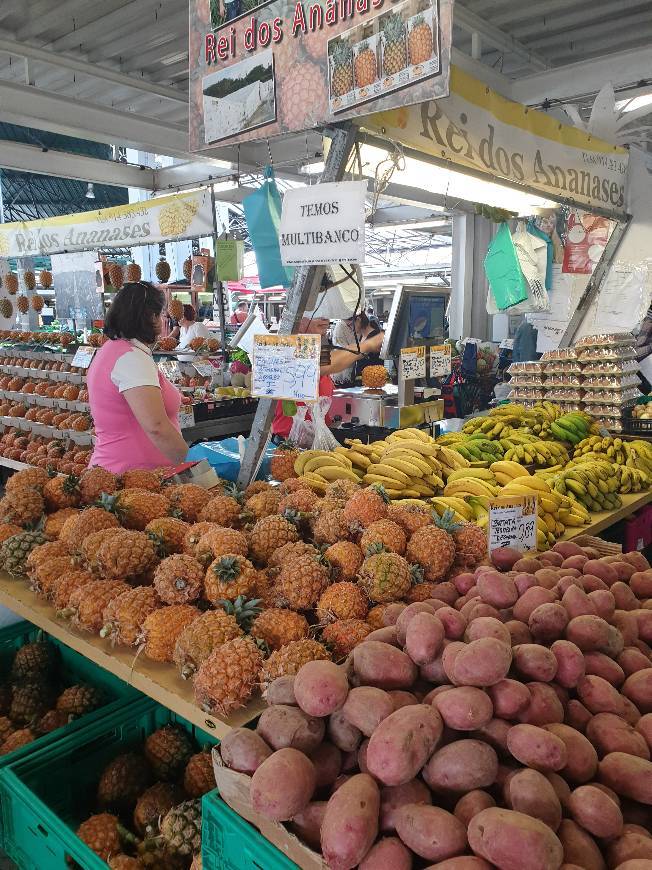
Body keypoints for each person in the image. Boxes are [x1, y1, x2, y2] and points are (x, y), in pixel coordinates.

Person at [87, 281, 188, 473]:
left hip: (119, 472)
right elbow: (156, 427)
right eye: (161, 315)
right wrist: (189, 463)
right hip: (130, 479)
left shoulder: (112, 350)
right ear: (151, 317)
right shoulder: (131, 358)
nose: (163, 321)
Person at [272, 317, 385, 438]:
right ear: (298, 319)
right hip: (289, 444)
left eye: (325, 313)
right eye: (315, 314)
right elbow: (327, 364)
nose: (324, 318)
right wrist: (368, 344)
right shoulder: (287, 349)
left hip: (317, 441)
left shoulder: (316, 347)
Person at [331, 312, 385, 386]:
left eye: (350, 325)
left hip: (373, 382)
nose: (351, 329)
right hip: (360, 383)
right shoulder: (361, 337)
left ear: (358, 319)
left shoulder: (375, 337)